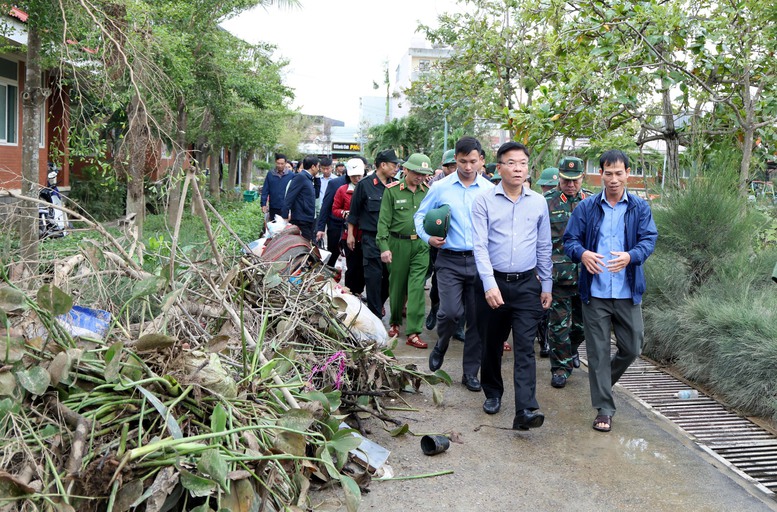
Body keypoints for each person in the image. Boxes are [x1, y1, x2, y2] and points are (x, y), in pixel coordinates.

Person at [563, 149, 657, 433]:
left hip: (628, 291)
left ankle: (601, 382)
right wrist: (582, 254)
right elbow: (570, 241)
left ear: (627, 174)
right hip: (596, 292)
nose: (613, 179)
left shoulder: (639, 207)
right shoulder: (586, 207)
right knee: (598, 354)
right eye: (608, 173)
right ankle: (604, 408)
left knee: (633, 347)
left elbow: (648, 239)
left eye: (619, 173)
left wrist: (631, 256)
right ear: (600, 174)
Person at [471, 141, 552, 430]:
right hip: (493, 283)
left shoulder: (538, 202)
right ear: (499, 167)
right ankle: (493, 392)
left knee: (525, 348)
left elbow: (544, 245)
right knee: (491, 344)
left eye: (522, 163)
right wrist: (488, 284)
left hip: (527, 285)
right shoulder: (483, 201)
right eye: (511, 163)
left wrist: (547, 284)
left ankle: (526, 408)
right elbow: (480, 246)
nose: (518, 169)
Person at [416, 137, 494, 392]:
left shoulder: (489, 189)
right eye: (462, 161)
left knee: (477, 320)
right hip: (449, 259)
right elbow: (420, 215)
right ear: (455, 160)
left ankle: (470, 373)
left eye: (473, 161)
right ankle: (442, 343)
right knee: (449, 312)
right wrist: (428, 238)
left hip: (480, 261)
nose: (468, 167)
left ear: (481, 160)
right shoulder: (441, 187)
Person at [377, 153, 433, 349]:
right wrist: (384, 247)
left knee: (417, 287)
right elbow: (383, 222)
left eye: (424, 174)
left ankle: (414, 332)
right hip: (397, 244)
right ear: (406, 170)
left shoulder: (428, 192)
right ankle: (395, 322)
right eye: (417, 173)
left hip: (421, 245)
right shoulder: (392, 191)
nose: (420, 177)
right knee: (397, 285)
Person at [544, 157, 588, 389]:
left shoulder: (591, 202)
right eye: (566, 180)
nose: (570, 185)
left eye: (575, 180)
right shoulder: (546, 202)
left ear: (582, 178)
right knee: (559, 326)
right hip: (558, 276)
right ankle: (560, 368)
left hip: (586, 275)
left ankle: (570, 351)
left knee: (581, 326)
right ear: (559, 178)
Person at [347, 149, 401, 318]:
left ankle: (379, 303)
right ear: (383, 165)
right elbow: (354, 213)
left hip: (391, 240)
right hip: (371, 239)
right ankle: (375, 315)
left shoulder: (397, 185)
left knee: (390, 277)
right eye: (394, 165)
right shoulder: (365, 185)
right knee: (373, 278)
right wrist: (350, 234)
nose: (396, 168)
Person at [425, 149, 458, 331]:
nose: (452, 169)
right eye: (449, 166)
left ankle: (459, 324)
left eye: (455, 166)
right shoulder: (435, 185)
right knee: (438, 282)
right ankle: (434, 309)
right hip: (440, 242)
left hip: (463, 244)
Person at [332, 159, 366, 295]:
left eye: (359, 176)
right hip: (349, 234)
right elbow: (335, 209)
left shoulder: (368, 188)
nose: (357, 179)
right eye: (354, 176)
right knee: (352, 266)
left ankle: (359, 292)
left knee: (363, 266)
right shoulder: (342, 190)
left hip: (365, 234)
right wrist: (344, 213)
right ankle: (349, 292)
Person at [316, 165, 349, 267]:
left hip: (355, 228)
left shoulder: (364, 183)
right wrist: (321, 228)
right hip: (336, 225)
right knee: (332, 256)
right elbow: (326, 205)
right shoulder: (335, 183)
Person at [281, 155, 319, 241]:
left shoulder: (309, 179)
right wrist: (285, 215)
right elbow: (289, 197)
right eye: (318, 166)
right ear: (313, 167)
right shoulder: (300, 177)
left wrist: (317, 179)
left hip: (308, 219)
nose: (318, 169)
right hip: (301, 219)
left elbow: (316, 195)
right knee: (304, 244)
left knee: (309, 243)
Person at [261, 153, 294, 223]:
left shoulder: (291, 175)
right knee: (274, 225)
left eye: (282, 164)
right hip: (273, 206)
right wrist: (263, 204)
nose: (280, 165)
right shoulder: (270, 174)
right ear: (275, 162)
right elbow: (265, 190)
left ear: (285, 163)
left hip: (286, 207)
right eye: (278, 163)